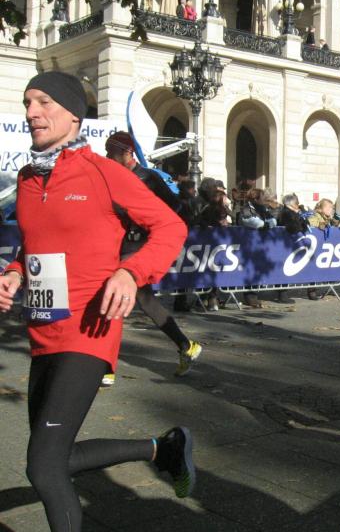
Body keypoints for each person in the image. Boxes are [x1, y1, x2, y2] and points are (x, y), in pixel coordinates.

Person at [0, 71, 195, 531]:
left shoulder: (104, 173)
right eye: (27, 103)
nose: (32, 112)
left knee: (43, 469)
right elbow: (35, 244)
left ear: (73, 114)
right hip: (43, 333)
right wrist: (14, 273)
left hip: (89, 332)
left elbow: (171, 227)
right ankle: (163, 449)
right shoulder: (27, 179)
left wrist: (130, 272)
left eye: (43, 102)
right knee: (55, 458)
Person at [104, 132, 202, 380]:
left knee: (114, 296)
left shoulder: (149, 177)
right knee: (144, 300)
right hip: (118, 244)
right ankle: (186, 345)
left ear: (127, 153)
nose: (107, 156)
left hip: (138, 246)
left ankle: (106, 367)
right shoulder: (113, 177)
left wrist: (152, 227)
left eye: (111, 152)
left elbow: (175, 207)